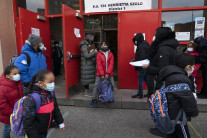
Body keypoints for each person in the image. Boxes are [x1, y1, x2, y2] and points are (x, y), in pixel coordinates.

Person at [151, 53, 199, 138]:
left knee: (171, 134)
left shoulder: (169, 74)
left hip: (168, 115)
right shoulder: (181, 79)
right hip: (178, 118)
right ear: (188, 67)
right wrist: (194, 113)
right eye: (193, 66)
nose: (193, 68)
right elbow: (188, 100)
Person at [22, 69, 64, 138]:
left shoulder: (50, 93)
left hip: (45, 129)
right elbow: (28, 123)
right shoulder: (32, 98)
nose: (53, 84)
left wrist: (60, 122)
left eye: (53, 81)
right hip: (36, 133)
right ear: (40, 83)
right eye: (50, 82)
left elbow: (55, 108)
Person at [144, 27, 179, 97]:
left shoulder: (163, 49)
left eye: (156, 34)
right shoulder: (168, 47)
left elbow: (163, 69)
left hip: (161, 84)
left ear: (161, 35)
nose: (154, 36)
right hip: (166, 82)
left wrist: (148, 67)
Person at [0, 65, 24, 138]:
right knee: (7, 129)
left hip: (18, 112)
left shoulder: (17, 83)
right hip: (9, 114)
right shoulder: (2, 88)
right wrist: (13, 113)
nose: (18, 75)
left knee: (20, 127)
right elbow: (2, 104)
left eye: (18, 73)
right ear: (7, 76)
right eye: (15, 74)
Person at [89, 42, 115, 108]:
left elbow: (111, 64)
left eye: (105, 45)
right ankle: (93, 99)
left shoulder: (111, 54)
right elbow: (99, 64)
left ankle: (110, 96)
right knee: (96, 86)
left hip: (109, 73)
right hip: (100, 74)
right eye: (102, 45)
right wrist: (102, 74)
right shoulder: (98, 54)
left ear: (108, 46)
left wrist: (107, 74)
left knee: (112, 84)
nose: (103, 46)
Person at [131, 33, 150, 99]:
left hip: (142, 65)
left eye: (136, 39)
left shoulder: (142, 46)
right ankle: (151, 92)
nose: (136, 41)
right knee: (146, 79)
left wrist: (136, 62)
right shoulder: (144, 44)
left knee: (140, 80)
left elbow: (142, 57)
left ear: (139, 39)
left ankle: (140, 94)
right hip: (146, 65)